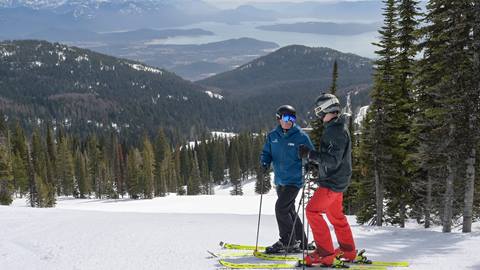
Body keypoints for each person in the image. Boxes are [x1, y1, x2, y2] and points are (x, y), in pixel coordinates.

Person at [298, 93, 363, 268]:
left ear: (327, 109)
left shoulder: (336, 131)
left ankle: (325, 254)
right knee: (336, 216)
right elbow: (333, 157)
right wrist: (316, 162)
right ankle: (348, 251)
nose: (319, 117)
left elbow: (333, 160)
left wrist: (311, 155)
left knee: (312, 211)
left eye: (319, 112)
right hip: (337, 179)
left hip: (332, 182)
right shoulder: (335, 127)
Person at [260, 105, 315, 254]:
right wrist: (265, 162)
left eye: (292, 118)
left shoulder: (301, 136)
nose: (289, 121)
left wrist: (308, 158)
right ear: (279, 118)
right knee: (289, 210)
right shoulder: (273, 136)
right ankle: (301, 241)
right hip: (280, 181)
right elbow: (266, 152)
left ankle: (287, 241)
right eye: (285, 118)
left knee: (281, 208)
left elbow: (312, 154)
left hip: (294, 181)